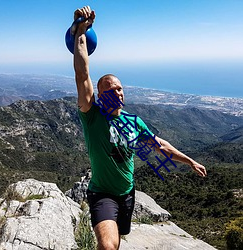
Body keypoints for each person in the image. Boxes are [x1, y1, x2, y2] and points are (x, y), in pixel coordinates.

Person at [72, 6, 207, 250]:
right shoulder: (92, 116)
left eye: (120, 88)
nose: (118, 91)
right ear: (100, 95)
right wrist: (80, 31)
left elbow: (160, 145)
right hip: (102, 194)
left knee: (118, 242)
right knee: (107, 246)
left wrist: (190, 161)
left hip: (127, 194)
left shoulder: (134, 122)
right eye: (111, 89)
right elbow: (82, 74)